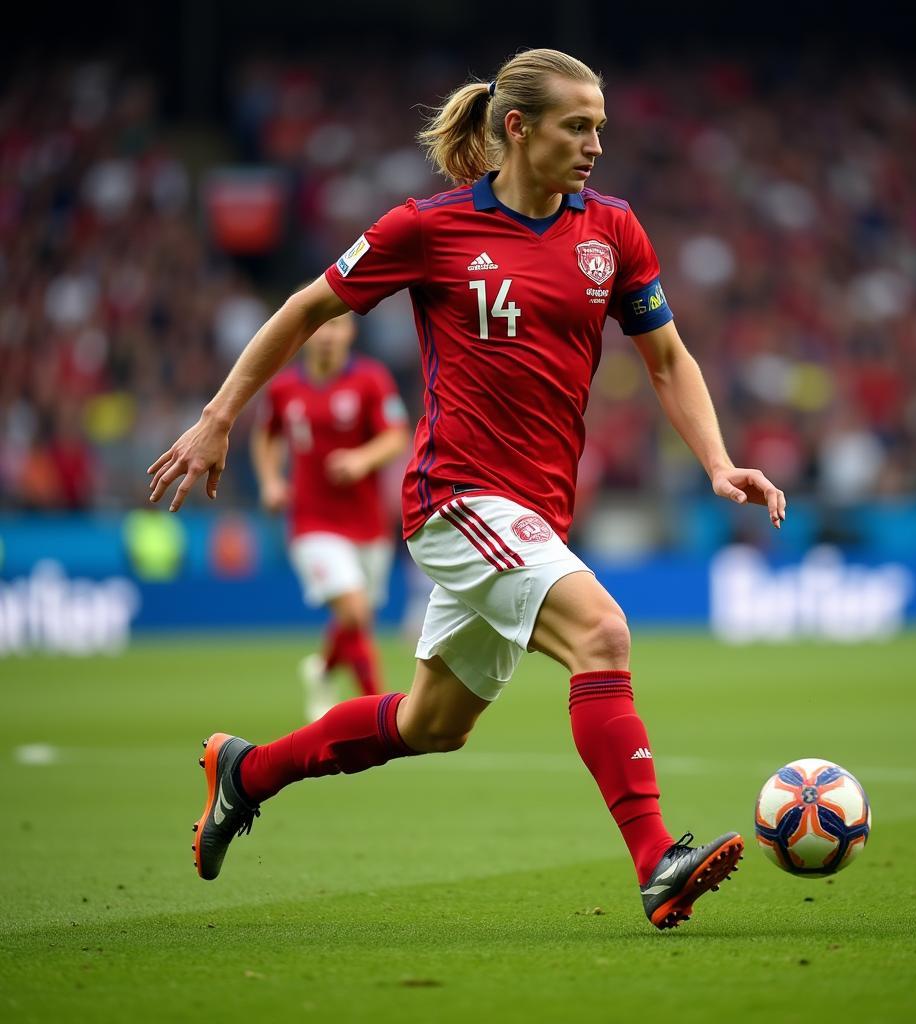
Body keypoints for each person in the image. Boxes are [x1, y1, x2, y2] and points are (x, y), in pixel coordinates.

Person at [148, 48, 786, 931]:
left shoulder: (614, 231)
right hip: (456, 497)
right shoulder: (428, 227)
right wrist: (220, 416)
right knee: (602, 633)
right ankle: (656, 863)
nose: (597, 142)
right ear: (517, 129)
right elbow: (305, 309)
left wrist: (717, 461)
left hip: (537, 513)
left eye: (601, 124)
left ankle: (245, 773)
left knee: (431, 724)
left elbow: (667, 359)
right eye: (578, 125)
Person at [250, 313, 409, 720]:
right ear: (307, 334)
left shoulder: (371, 379)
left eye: (336, 326)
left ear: (350, 333)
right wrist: (270, 480)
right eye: (320, 326)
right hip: (311, 522)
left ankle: (322, 671)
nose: (327, 336)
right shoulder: (285, 388)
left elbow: (396, 435)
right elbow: (266, 435)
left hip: (368, 523)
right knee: (354, 611)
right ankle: (379, 708)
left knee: (356, 618)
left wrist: (361, 458)